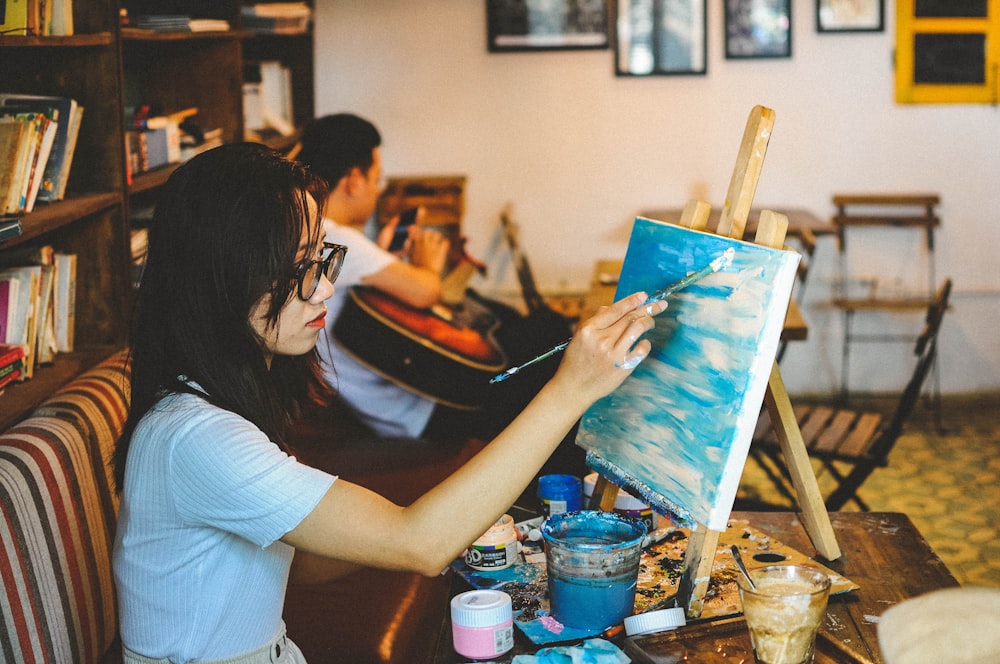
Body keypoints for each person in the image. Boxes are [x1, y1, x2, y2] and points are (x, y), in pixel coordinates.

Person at [111, 142, 666, 663]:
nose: (324, 288)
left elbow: (298, 560)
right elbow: (417, 544)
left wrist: (454, 522)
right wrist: (571, 389)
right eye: (300, 267)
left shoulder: (211, 402)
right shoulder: (197, 435)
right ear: (225, 278)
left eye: (322, 259)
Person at [295, 114, 576, 466]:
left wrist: (390, 259)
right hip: (422, 411)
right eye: (376, 180)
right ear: (353, 180)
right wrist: (427, 264)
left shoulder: (310, 233)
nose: (377, 190)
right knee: (550, 342)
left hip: (407, 394)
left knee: (535, 334)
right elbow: (426, 292)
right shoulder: (333, 236)